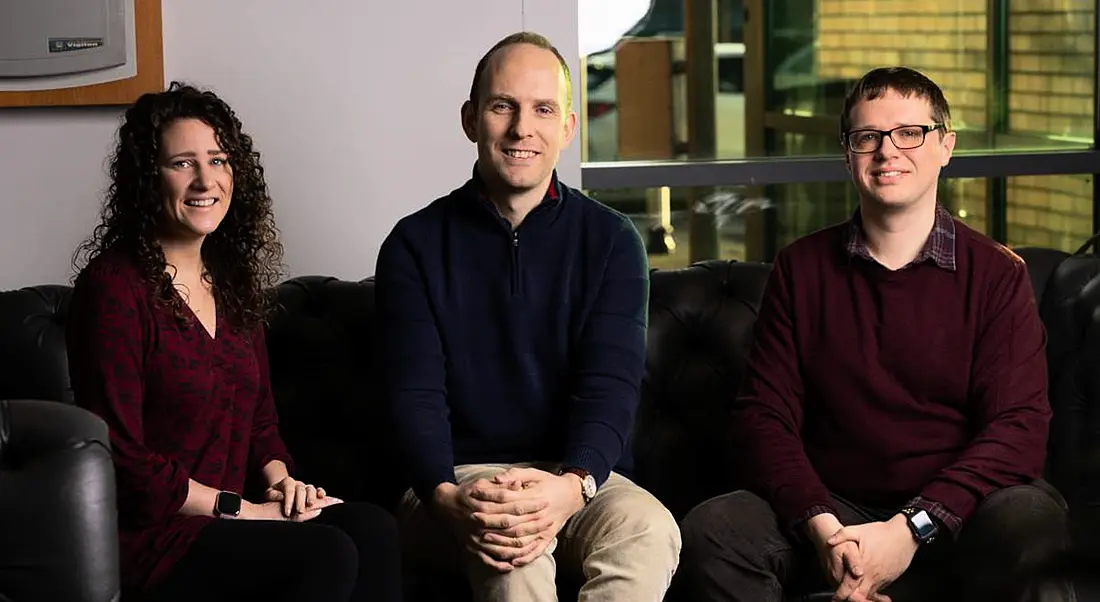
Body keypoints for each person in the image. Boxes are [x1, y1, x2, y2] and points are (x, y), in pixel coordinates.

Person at [671, 67, 1070, 602]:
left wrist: (910, 529)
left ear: (945, 147)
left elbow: (1017, 430)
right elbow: (764, 418)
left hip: (958, 514)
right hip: (838, 510)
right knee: (713, 531)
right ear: (848, 153)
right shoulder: (801, 269)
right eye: (868, 138)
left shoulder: (997, 275)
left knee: (1028, 520)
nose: (888, 152)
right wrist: (825, 530)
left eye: (910, 133)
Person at [66, 82, 402, 602]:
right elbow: (121, 457)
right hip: (152, 539)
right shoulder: (114, 288)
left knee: (373, 529)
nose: (206, 180)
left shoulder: (230, 283)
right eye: (182, 163)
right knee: (325, 554)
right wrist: (242, 510)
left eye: (219, 160)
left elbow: (259, 421)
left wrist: (281, 484)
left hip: (232, 519)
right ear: (146, 177)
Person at [375, 31, 681, 601]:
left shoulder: (612, 240)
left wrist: (572, 485)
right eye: (502, 106)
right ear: (470, 120)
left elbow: (610, 388)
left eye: (542, 109)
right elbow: (414, 396)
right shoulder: (414, 244)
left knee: (648, 530)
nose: (522, 129)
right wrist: (444, 496)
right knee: (511, 545)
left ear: (567, 127)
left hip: (579, 481)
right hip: (454, 484)